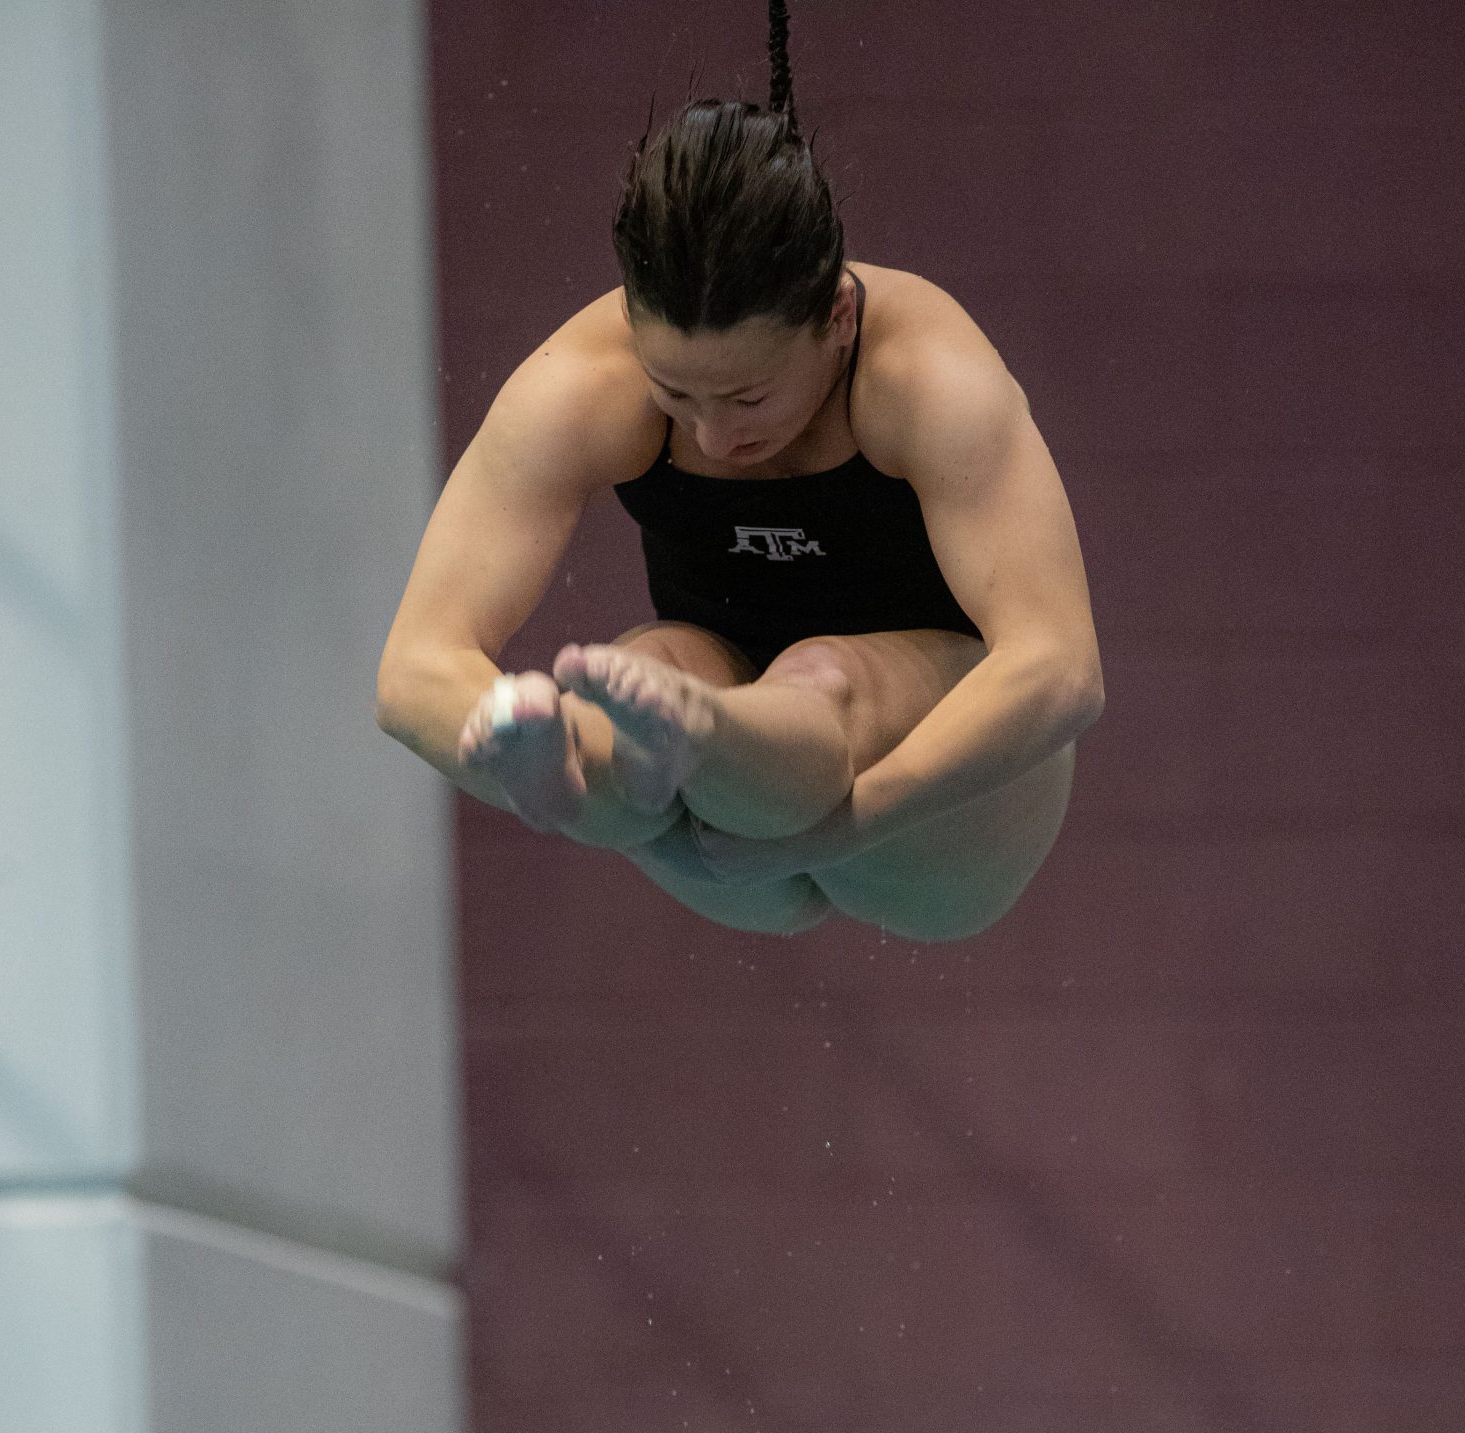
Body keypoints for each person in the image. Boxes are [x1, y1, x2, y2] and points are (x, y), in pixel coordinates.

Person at [376, 2, 1104, 942]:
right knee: (648, 668)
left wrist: (850, 823)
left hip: (936, 832)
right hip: (728, 844)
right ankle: (580, 772)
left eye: (749, 399)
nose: (712, 437)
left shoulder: (927, 378)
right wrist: (489, 735)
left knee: (820, 674)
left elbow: (1060, 671)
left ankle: (697, 733)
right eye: (674, 392)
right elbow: (411, 672)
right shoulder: (580, 383)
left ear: (838, 318)